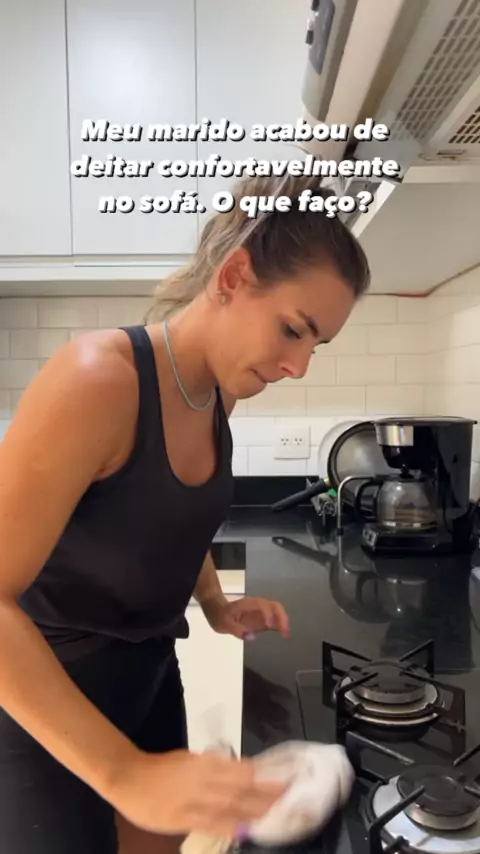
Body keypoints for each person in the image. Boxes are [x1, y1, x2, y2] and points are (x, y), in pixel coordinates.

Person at [0, 174, 370, 854]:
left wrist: (214, 602)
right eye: (293, 329)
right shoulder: (96, 379)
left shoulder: (218, 394)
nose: (299, 365)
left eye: (314, 346)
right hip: (47, 709)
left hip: (148, 676)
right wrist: (123, 772)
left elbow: (166, 516)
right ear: (233, 277)